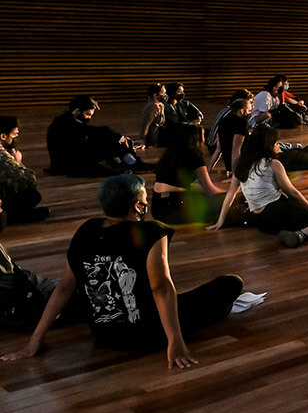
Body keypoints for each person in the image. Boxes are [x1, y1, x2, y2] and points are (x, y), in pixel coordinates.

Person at [3, 174, 243, 367]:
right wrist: (176, 342)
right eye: (144, 198)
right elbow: (160, 287)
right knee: (230, 285)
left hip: (104, 333)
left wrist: (34, 341)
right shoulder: (150, 232)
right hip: (146, 333)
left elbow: (64, 287)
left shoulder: (87, 230)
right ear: (137, 205)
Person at [210, 127, 308, 247]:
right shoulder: (273, 164)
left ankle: (296, 231)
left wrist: (220, 221)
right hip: (278, 211)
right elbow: (293, 192)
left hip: (262, 223)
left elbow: (230, 194)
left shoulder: (241, 165)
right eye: (276, 143)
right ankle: (300, 235)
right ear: (268, 146)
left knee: (299, 215)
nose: (279, 146)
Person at [46, 96, 145, 177]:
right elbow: (91, 131)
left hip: (77, 153)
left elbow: (91, 132)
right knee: (108, 139)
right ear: (77, 111)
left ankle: (130, 163)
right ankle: (124, 165)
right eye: (87, 114)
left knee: (112, 140)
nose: (89, 117)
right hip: (68, 163)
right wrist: (118, 137)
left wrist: (119, 138)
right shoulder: (62, 123)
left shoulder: (72, 120)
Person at [151, 126, 228, 225]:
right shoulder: (195, 158)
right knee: (222, 204)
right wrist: (229, 193)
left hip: (158, 210)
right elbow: (210, 190)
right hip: (177, 211)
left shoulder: (168, 156)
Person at [0, 117, 50, 224]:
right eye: (14, 134)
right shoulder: (2, 157)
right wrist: (18, 162)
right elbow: (27, 181)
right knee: (32, 195)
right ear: (3, 136)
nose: (16, 137)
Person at [214, 96, 254, 173]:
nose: (250, 113)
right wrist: (235, 174)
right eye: (249, 111)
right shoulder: (241, 122)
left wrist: (208, 170)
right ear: (242, 111)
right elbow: (236, 150)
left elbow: (218, 149)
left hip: (229, 164)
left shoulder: (223, 120)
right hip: (240, 164)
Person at [161, 82, 205, 147]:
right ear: (172, 93)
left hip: (184, 129)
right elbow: (174, 124)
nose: (182, 94)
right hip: (172, 133)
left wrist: (198, 118)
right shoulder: (165, 106)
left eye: (183, 92)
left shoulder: (184, 103)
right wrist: (190, 124)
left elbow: (199, 113)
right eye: (180, 92)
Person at [140, 83, 166, 147]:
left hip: (157, 137)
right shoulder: (153, 106)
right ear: (155, 95)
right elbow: (146, 124)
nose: (165, 95)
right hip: (152, 139)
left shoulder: (160, 105)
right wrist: (143, 140)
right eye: (163, 93)